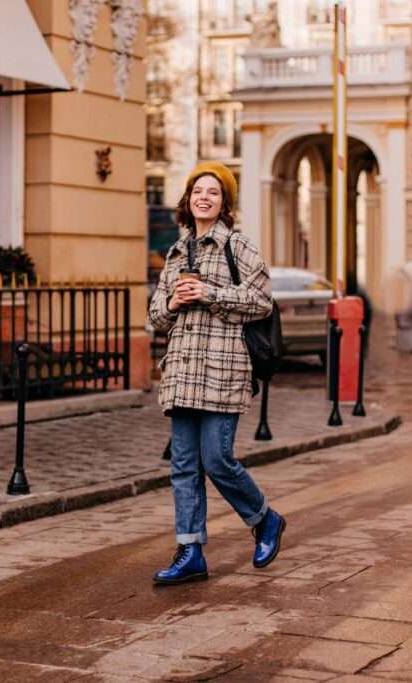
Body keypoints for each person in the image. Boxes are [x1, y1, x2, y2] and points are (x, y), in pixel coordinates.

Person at [147, 161, 286, 585]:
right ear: (187, 201)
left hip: (223, 370)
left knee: (218, 459)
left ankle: (265, 519)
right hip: (183, 371)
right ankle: (190, 551)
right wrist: (172, 304)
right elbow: (155, 315)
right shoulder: (175, 253)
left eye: (213, 192)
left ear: (224, 203)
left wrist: (209, 293)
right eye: (197, 192)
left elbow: (261, 301)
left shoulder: (237, 247)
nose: (204, 198)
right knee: (185, 466)